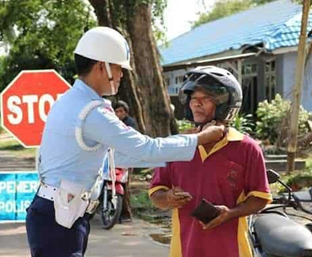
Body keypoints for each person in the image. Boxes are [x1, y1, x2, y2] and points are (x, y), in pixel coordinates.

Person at [25, 26, 225, 257]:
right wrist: (199, 139)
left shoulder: (71, 101)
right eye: (119, 67)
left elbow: (113, 155)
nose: (121, 75)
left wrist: (177, 155)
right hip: (60, 219)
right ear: (102, 66)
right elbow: (145, 148)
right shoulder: (92, 112)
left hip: (59, 214)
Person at [149, 66, 272, 257]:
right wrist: (168, 198)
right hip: (184, 250)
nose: (196, 104)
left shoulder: (247, 148)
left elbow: (260, 198)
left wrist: (229, 213)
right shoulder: (176, 147)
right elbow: (156, 194)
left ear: (225, 103)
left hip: (233, 251)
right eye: (193, 98)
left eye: (205, 98)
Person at [113, 100, 138, 222]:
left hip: (128, 158)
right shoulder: (113, 123)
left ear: (126, 112)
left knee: (124, 185)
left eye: (121, 111)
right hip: (114, 158)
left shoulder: (130, 123)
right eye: (116, 111)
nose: (118, 114)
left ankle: (126, 213)